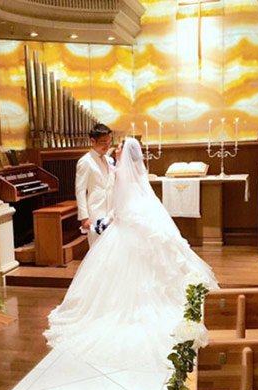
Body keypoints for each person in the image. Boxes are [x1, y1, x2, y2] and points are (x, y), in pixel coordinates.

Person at [44, 138, 219, 372]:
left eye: (119, 148)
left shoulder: (120, 172)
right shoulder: (132, 171)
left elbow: (122, 203)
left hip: (128, 220)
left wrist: (110, 218)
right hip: (141, 216)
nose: (115, 150)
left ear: (125, 153)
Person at [75, 123, 116, 246]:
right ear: (93, 141)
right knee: (97, 247)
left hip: (111, 210)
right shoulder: (85, 161)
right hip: (96, 210)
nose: (107, 146)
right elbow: (80, 190)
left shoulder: (109, 160)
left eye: (109, 142)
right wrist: (84, 217)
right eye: (103, 142)